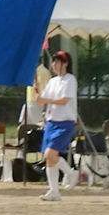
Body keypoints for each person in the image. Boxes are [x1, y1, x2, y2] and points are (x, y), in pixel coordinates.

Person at [35, 50, 78, 202]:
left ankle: (71, 173)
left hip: (65, 122)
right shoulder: (53, 81)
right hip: (51, 122)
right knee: (49, 159)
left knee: (50, 154)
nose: (54, 64)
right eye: (53, 61)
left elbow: (64, 100)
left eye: (57, 61)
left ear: (65, 63)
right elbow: (44, 102)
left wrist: (46, 100)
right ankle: (54, 191)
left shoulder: (70, 80)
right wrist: (38, 96)